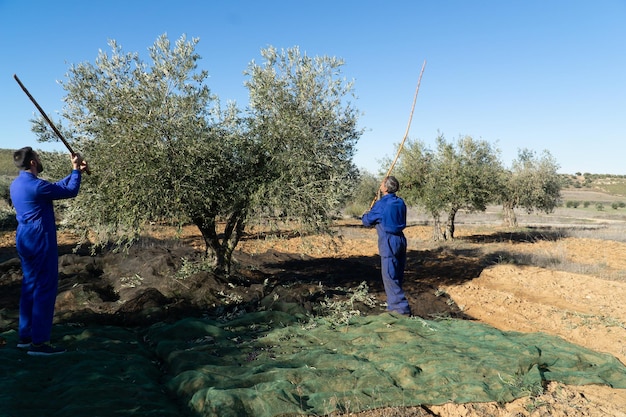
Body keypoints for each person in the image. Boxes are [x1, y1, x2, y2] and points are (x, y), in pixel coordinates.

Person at [10, 147, 88, 356]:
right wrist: (75, 170)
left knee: (29, 285)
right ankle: (40, 343)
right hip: (39, 240)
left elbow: (52, 188)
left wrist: (75, 172)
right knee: (45, 288)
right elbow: (69, 191)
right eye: (37, 156)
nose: (40, 157)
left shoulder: (17, 184)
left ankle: (25, 337)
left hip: (24, 239)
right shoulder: (36, 186)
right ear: (33, 162)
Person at [361, 176, 411, 316]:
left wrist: (366, 214)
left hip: (388, 241)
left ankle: (400, 309)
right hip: (401, 240)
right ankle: (394, 305)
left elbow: (367, 221)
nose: (380, 185)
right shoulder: (400, 202)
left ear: (386, 188)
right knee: (397, 274)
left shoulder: (382, 204)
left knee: (389, 275)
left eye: (382, 183)